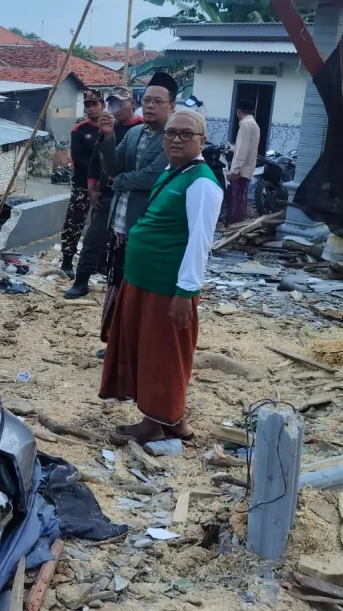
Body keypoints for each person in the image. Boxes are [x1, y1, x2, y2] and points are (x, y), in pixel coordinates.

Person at [100, 109, 222, 443]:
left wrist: (186, 292)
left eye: (186, 134)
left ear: (202, 141)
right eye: (171, 133)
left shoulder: (201, 183)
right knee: (147, 350)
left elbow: (200, 242)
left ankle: (154, 425)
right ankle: (173, 420)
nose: (176, 140)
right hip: (143, 279)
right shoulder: (174, 172)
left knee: (162, 355)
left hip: (167, 286)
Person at [67, 74, 176, 305]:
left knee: (135, 280)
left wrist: (116, 181)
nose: (150, 105)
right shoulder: (135, 133)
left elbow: (150, 177)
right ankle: (87, 288)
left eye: (157, 101)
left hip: (143, 218)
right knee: (111, 271)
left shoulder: (171, 138)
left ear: (172, 106)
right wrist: (108, 137)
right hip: (117, 210)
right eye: (147, 100)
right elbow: (111, 165)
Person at [66, 91, 143, 297]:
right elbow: (95, 159)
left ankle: (126, 288)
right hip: (108, 193)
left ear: (133, 104)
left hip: (133, 194)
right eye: (113, 104)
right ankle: (81, 281)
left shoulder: (143, 128)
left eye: (120, 103)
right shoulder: (109, 128)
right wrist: (92, 186)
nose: (116, 108)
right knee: (93, 239)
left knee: (130, 244)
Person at [60, 91, 105, 279]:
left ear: (103, 105)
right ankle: (67, 261)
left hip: (106, 185)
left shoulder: (112, 128)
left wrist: (104, 179)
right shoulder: (79, 129)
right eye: (87, 105)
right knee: (74, 222)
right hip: (82, 184)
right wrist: (95, 178)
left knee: (102, 224)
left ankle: (99, 263)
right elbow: (78, 159)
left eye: (94, 104)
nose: (90, 108)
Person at [225, 98, 260, 224]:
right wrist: (232, 147)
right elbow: (245, 147)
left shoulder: (245, 125)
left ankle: (235, 224)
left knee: (236, 199)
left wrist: (235, 169)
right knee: (241, 198)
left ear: (239, 112)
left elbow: (243, 149)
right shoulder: (254, 124)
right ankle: (239, 224)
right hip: (247, 168)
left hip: (241, 170)